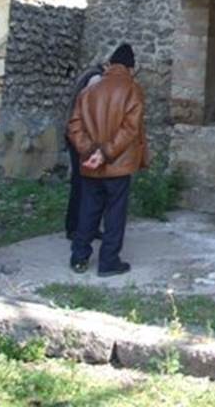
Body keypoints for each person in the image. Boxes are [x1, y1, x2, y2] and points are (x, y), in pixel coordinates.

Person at [66, 43, 148, 277]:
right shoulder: (132, 90)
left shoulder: (89, 90)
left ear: (110, 64)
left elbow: (74, 126)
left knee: (88, 210)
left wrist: (90, 151)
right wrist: (105, 153)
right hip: (118, 164)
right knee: (114, 215)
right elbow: (130, 129)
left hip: (90, 164)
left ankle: (79, 258)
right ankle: (109, 262)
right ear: (130, 68)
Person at [64, 61, 105, 240]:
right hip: (82, 138)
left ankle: (86, 226)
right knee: (83, 185)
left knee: (85, 184)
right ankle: (75, 227)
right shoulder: (96, 79)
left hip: (79, 136)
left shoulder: (90, 76)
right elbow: (91, 111)